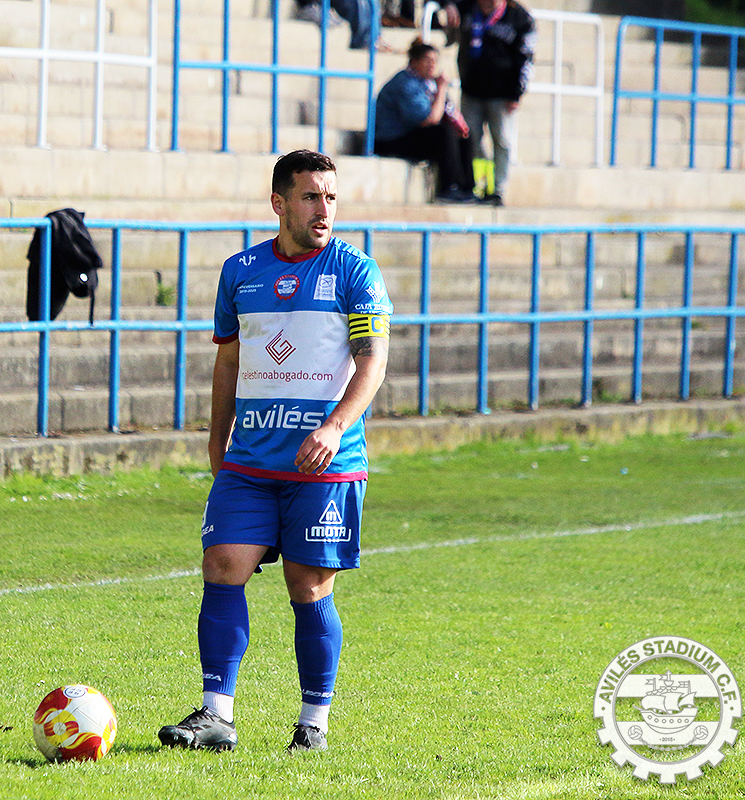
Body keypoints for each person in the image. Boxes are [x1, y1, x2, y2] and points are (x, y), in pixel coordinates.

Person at [157, 150, 392, 753]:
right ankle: (216, 715)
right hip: (250, 461)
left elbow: (373, 361)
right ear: (279, 203)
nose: (323, 209)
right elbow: (228, 360)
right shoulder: (241, 272)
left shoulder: (355, 271)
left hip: (326, 466)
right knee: (221, 565)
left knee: (307, 587)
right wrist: (217, 440)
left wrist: (335, 427)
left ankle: (313, 722)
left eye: (331, 197)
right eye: (311, 197)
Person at [444, 0, 535, 205]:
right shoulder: (467, 7)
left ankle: (498, 189)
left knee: (502, 140)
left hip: (502, 94)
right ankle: (478, 184)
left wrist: (516, 93)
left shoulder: (519, 17)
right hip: (471, 90)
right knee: (470, 139)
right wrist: (448, 5)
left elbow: (526, 56)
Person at [373, 39, 478, 203]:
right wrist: (442, 89)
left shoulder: (427, 84)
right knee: (443, 133)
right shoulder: (405, 83)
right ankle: (449, 188)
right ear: (414, 61)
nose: (432, 65)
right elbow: (430, 120)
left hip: (410, 134)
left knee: (463, 136)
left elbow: (448, 114)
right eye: (427, 60)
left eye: (435, 61)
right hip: (390, 139)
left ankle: (466, 188)